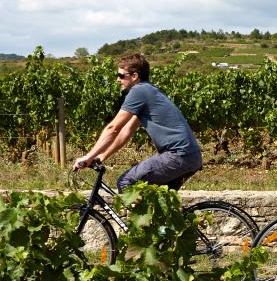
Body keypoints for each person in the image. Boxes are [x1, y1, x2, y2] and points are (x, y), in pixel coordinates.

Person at [73, 53, 202, 191]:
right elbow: (125, 132)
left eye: (121, 75)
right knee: (157, 198)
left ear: (134, 76)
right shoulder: (149, 90)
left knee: (126, 182)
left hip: (178, 155)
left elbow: (113, 128)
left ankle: (138, 213)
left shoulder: (139, 91)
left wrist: (88, 156)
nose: (118, 79)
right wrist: (102, 156)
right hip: (190, 156)